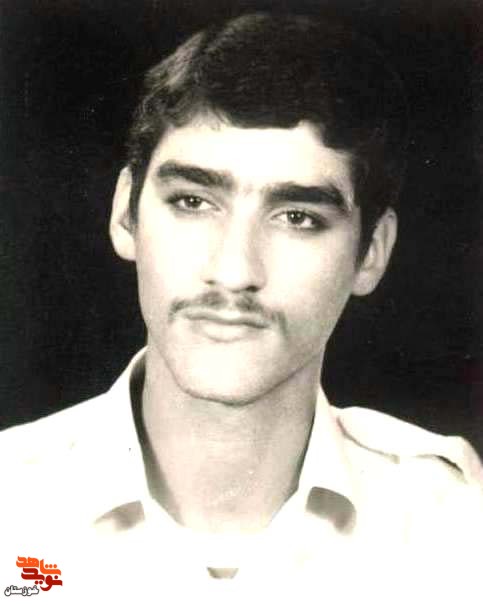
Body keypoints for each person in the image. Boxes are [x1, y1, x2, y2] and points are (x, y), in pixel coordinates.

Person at [1, 12, 482, 605]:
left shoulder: (453, 528)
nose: (234, 272)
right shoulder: (10, 504)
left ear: (371, 253)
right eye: (192, 201)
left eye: (298, 217)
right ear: (126, 213)